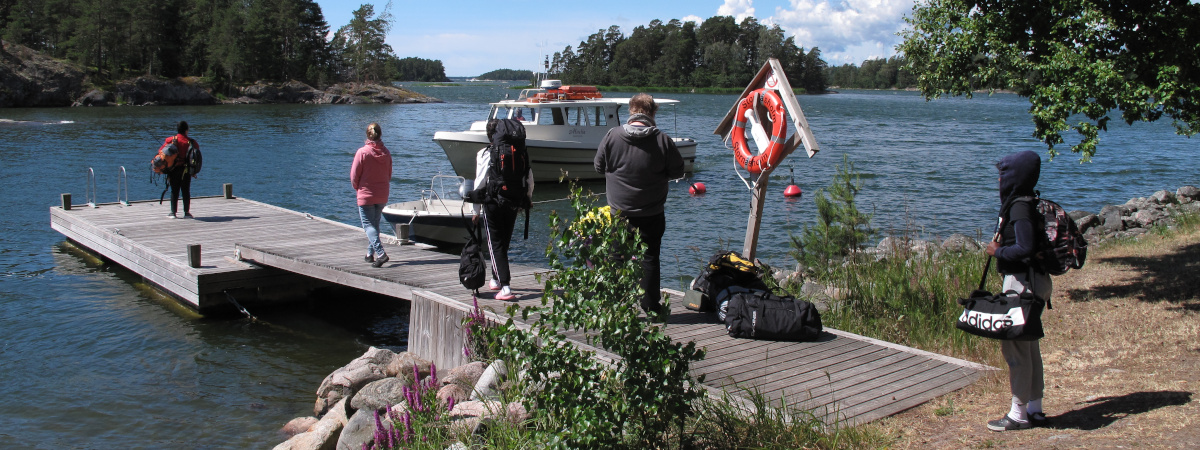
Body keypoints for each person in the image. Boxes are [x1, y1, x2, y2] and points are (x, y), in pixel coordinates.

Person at [594, 93, 685, 320]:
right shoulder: (662, 140)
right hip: (652, 213)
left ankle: (614, 307)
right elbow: (678, 171)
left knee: (616, 257)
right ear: (652, 112)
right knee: (650, 258)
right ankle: (652, 308)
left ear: (631, 111)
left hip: (619, 212)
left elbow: (598, 166)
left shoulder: (612, 136)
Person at [985, 150, 1052, 431]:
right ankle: (1035, 409)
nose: (999, 178)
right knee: (1029, 344)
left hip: (1022, 283)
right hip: (1037, 281)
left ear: (1014, 176)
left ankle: (1017, 414)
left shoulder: (1019, 208)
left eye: (1003, 173)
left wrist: (997, 251)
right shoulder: (1030, 201)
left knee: (1015, 347)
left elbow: (1024, 248)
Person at [472, 119, 534, 301]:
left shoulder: (485, 153)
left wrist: (475, 209)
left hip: (493, 203)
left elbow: (480, 181)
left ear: (489, 135)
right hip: (514, 200)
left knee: (495, 244)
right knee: (503, 242)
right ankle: (496, 279)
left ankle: (505, 286)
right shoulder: (520, 152)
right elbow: (529, 176)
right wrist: (528, 198)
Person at [351, 123, 393, 268]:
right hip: (382, 193)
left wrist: (357, 188)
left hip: (366, 194)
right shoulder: (386, 152)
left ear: (367, 135)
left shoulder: (362, 152)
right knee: (374, 224)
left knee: (368, 225)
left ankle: (381, 254)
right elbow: (389, 174)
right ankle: (370, 254)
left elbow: (354, 175)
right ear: (380, 134)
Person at [165, 121, 196, 219]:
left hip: (173, 170)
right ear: (186, 130)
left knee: (174, 190)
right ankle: (186, 212)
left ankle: (173, 213)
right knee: (186, 190)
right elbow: (197, 156)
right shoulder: (191, 142)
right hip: (186, 170)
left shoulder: (170, 140)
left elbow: (161, 153)